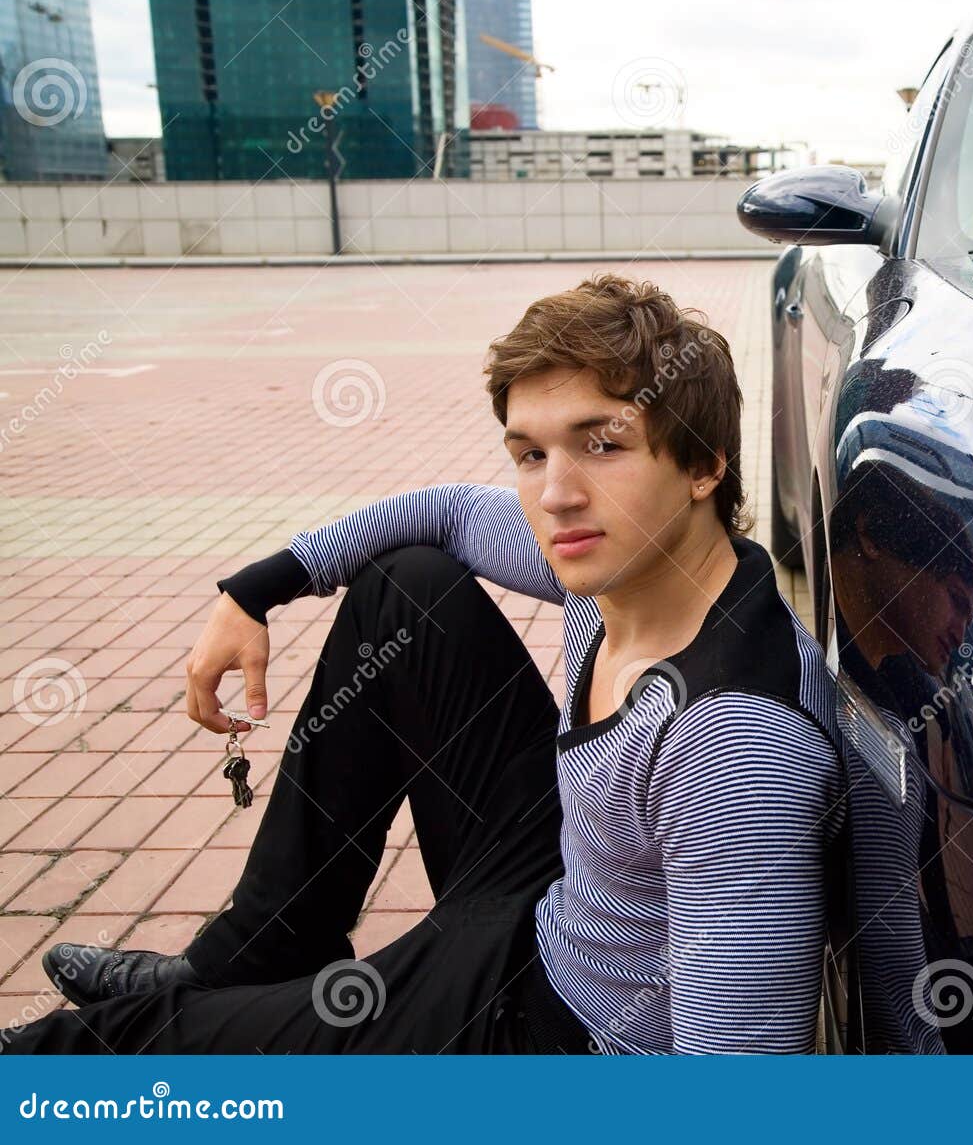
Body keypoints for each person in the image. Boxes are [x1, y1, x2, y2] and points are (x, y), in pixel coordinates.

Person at [3, 273, 846, 1055]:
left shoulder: (734, 752)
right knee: (408, 590)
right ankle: (259, 949)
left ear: (703, 463)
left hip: (551, 1024)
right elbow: (440, 513)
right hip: (559, 886)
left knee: (158, 1051)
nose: (556, 495)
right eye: (530, 453)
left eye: (602, 445)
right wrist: (254, 591)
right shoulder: (639, 557)